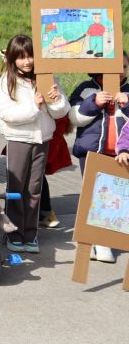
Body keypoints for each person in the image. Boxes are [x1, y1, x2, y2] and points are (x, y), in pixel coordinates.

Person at [0, 35, 69, 254]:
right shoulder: (6, 80)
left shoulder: (47, 77)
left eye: (30, 56)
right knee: (16, 188)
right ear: (12, 59)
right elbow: (5, 113)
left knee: (34, 189)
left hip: (42, 139)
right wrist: (34, 106)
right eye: (21, 57)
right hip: (19, 139)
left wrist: (55, 100)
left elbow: (61, 112)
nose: (27, 61)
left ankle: (31, 233)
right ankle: (13, 233)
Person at [68, 52, 129, 264]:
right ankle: (97, 243)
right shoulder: (86, 89)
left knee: (114, 198)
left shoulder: (128, 91)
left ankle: (102, 240)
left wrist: (127, 105)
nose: (120, 72)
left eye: (124, 67)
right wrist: (93, 103)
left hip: (121, 154)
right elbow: (74, 117)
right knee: (93, 196)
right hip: (92, 152)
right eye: (115, 67)